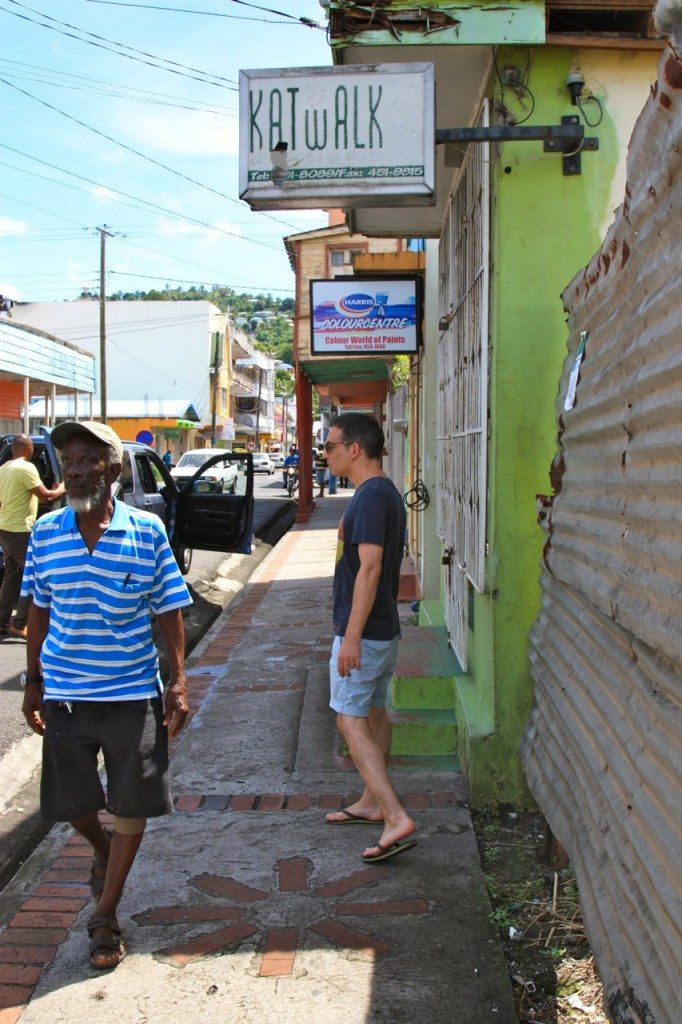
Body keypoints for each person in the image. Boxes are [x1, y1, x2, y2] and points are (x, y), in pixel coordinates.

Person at [20, 420, 192, 971]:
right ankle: (101, 851)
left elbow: (169, 610)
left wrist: (179, 683)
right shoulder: (46, 532)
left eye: (87, 461)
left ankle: (105, 916)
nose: (73, 470)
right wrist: (32, 681)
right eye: (67, 461)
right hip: (66, 692)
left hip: (132, 693)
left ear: (113, 471)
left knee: (132, 804)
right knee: (73, 805)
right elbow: (38, 610)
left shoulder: (147, 531)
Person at [323, 413, 416, 863]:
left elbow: (371, 568)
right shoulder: (377, 493)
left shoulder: (372, 496)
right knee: (373, 711)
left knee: (349, 719)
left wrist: (352, 637)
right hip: (381, 630)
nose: (326, 452)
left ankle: (395, 815)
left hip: (365, 632)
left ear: (354, 449)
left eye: (330, 445)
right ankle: (371, 802)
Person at [0, 434, 64, 640]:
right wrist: (63, 487)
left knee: (12, 575)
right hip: (20, 530)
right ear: (29, 447)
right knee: (35, 576)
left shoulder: (3, 469)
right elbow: (46, 496)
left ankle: (2, 621)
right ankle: (19, 624)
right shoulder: (26, 468)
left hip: (5, 528)